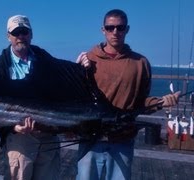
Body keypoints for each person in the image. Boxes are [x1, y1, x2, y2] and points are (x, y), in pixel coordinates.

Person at [75, 9, 180, 180]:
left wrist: (162, 102)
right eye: (110, 28)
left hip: (122, 139)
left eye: (120, 27)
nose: (115, 32)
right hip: (90, 139)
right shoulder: (87, 59)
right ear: (103, 30)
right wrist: (77, 69)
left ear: (127, 29)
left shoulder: (141, 63)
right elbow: (77, 97)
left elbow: (140, 103)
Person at [0, 15, 61, 180]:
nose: (20, 36)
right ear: (8, 36)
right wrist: (13, 127)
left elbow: (60, 89)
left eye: (24, 32)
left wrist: (82, 67)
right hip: (20, 139)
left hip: (48, 135)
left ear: (31, 34)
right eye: (16, 33)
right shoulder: (0, 65)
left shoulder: (45, 59)